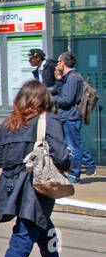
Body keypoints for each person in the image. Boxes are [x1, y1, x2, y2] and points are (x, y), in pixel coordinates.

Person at [0, 81, 81, 257]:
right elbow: (60, 155)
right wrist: (70, 162)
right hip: (34, 190)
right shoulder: (48, 119)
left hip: (10, 187)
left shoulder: (10, 122)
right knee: (22, 240)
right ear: (43, 99)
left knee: (46, 234)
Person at [52, 52, 95, 182]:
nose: (57, 64)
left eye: (58, 61)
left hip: (70, 118)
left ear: (63, 63)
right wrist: (59, 80)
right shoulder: (69, 77)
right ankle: (89, 165)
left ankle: (74, 175)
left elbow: (67, 99)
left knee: (74, 147)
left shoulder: (72, 79)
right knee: (76, 144)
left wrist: (50, 98)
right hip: (67, 117)